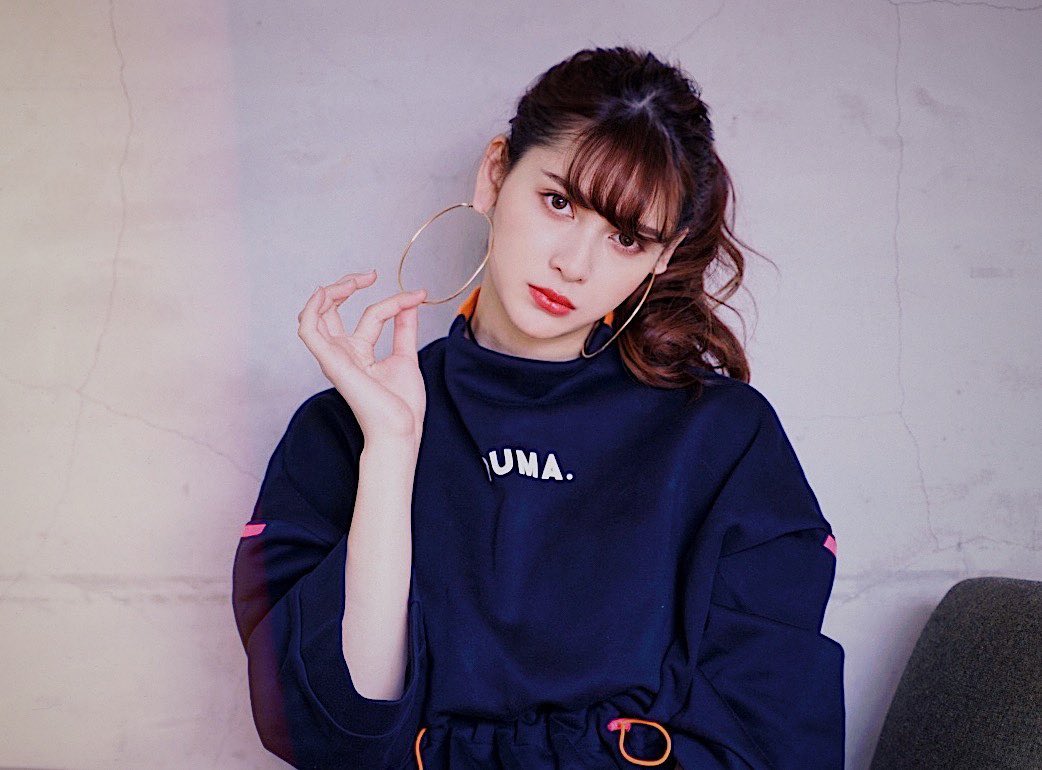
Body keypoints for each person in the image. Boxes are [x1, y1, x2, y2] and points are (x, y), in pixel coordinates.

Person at [231, 45, 845, 769]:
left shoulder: (724, 438)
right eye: (560, 203)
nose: (574, 264)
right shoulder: (344, 430)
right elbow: (331, 734)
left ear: (662, 255)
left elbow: (769, 733)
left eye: (625, 237)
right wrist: (391, 453)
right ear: (495, 174)